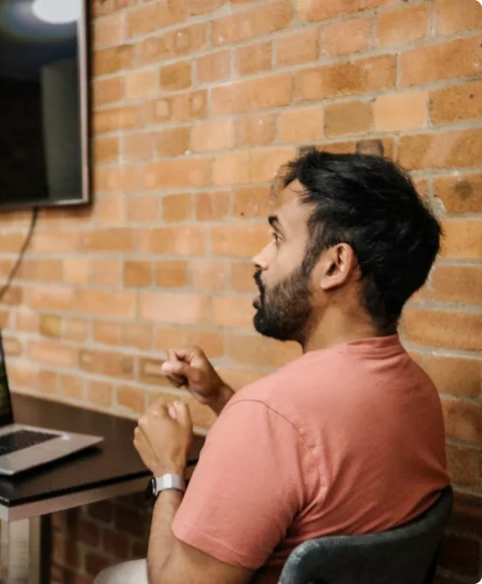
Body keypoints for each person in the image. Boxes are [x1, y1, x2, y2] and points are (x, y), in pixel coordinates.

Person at [97, 149, 450, 584]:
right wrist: (221, 398)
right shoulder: (417, 390)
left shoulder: (269, 413)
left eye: (279, 238)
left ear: (335, 266)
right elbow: (306, 467)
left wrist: (168, 471)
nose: (260, 258)